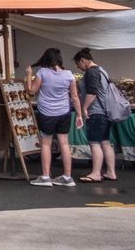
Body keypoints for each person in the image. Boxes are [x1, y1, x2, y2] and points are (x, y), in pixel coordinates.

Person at [25, 47, 83, 187]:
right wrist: (80, 115)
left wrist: (28, 75)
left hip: (47, 113)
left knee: (46, 144)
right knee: (64, 144)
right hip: (64, 112)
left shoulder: (42, 72)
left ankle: (45, 177)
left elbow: (32, 91)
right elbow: (74, 97)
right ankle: (67, 177)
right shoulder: (69, 74)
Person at [74, 48, 118, 182]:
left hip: (96, 112)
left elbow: (92, 92)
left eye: (78, 64)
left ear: (83, 60)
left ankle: (96, 173)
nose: (78, 67)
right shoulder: (102, 70)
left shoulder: (91, 72)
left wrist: (84, 108)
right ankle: (111, 172)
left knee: (95, 143)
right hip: (106, 112)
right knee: (105, 142)